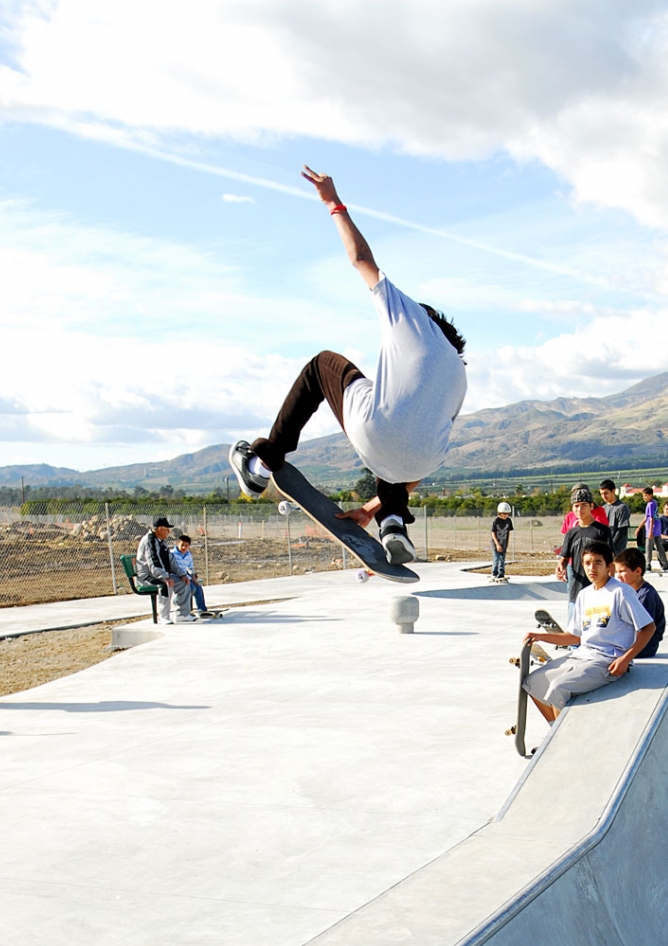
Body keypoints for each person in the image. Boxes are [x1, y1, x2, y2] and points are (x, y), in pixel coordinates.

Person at [228, 165, 467, 569]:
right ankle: (392, 522)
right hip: (419, 463)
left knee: (323, 365)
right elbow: (415, 452)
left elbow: (361, 258)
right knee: (398, 419)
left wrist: (333, 204)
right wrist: (373, 508)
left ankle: (260, 462)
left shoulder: (413, 317)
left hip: (380, 433)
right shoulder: (459, 378)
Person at [523, 540, 655, 722]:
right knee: (532, 682)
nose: (591, 568)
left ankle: (566, 743)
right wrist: (540, 636)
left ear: (609, 567)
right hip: (581, 656)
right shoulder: (584, 594)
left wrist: (626, 658)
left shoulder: (620, 592)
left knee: (558, 687)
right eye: (587, 563)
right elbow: (574, 637)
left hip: (606, 661)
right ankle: (555, 734)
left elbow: (648, 627)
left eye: (597, 563)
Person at [557, 492, 608, 622]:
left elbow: (610, 559)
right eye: (576, 506)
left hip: (598, 586)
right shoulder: (571, 533)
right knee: (574, 623)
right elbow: (565, 556)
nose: (580, 510)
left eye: (584, 505)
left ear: (591, 506)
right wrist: (560, 567)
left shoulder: (602, 531)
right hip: (577, 586)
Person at [135, 517, 193, 624]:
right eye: (167, 529)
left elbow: (171, 561)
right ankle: (163, 616)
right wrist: (165, 577)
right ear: (160, 529)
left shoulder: (161, 541)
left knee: (183, 583)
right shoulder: (149, 541)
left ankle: (182, 614)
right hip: (147, 576)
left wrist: (182, 574)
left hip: (159, 574)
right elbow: (154, 562)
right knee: (165, 585)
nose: (168, 531)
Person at [614, 548, 665, 656]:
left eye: (622, 571)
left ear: (637, 571)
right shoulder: (628, 592)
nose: (618, 575)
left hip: (644, 646)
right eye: (617, 572)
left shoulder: (646, 595)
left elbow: (643, 630)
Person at [173, 534, 211, 618]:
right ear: (177, 544)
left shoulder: (188, 555)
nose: (184, 547)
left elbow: (190, 568)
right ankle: (177, 601)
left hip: (186, 576)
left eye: (186, 546)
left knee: (198, 588)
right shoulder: (172, 554)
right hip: (177, 577)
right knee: (191, 589)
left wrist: (193, 577)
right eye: (182, 545)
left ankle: (202, 609)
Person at [642, 487, 668, 575]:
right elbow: (647, 517)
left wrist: (650, 531)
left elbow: (651, 518)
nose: (644, 497)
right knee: (659, 547)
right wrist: (640, 527)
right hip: (657, 529)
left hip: (652, 529)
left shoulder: (650, 504)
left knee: (648, 548)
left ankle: (647, 565)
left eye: (646, 495)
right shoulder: (654, 502)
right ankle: (665, 565)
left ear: (650, 495)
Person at [602, 479, 631, 556]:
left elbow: (621, 530)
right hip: (605, 548)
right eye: (601, 494)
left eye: (606, 493)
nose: (604, 496)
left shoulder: (622, 508)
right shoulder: (603, 509)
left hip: (618, 550)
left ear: (613, 491)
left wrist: (611, 546)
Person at [490, 502, 514, 583]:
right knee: (496, 558)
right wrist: (497, 544)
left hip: (503, 542)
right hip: (496, 543)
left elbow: (508, 532)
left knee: (502, 559)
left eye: (507, 514)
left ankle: (501, 574)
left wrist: (507, 543)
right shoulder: (496, 521)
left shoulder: (509, 521)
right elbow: (493, 533)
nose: (506, 515)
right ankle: (494, 573)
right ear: (499, 513)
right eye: (504, 514)